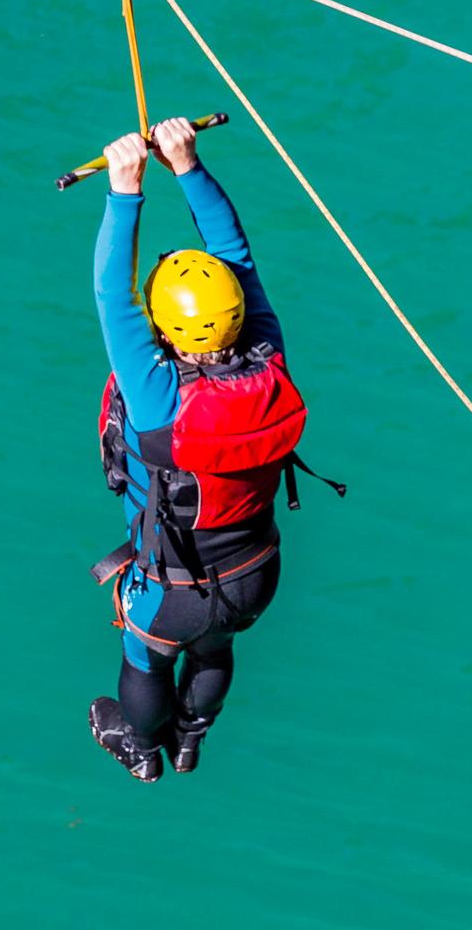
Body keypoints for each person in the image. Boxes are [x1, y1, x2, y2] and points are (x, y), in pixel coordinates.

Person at [87, 113, 319, 781]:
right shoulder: (267, 360)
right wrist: (187, 165)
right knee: (214, 651)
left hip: (172, 589)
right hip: (254, 574)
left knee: (147, 657)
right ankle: (192, 737)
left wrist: (125, 187)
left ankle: (142, 743)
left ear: (164, 323)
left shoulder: (159, 395)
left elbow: (111, 294)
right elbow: (237, 255)